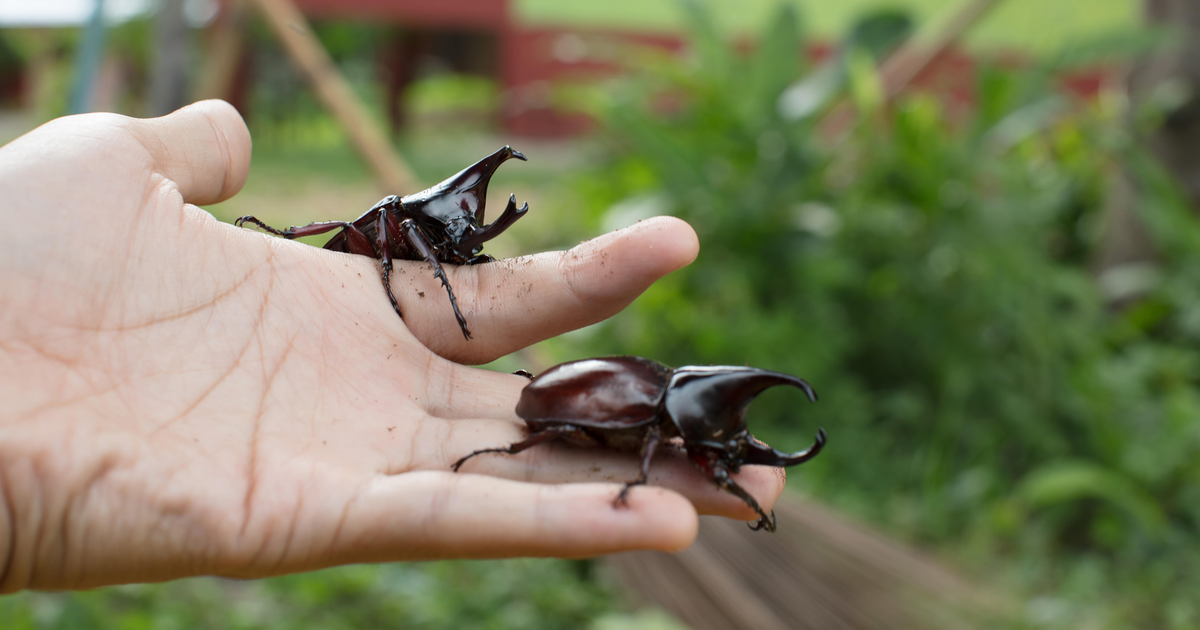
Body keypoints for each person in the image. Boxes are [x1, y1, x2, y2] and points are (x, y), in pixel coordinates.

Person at [0, 101, 784, 592]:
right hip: (365, 255)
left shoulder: (661, 406)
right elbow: (386, 232)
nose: (476, 231)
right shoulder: (402, 223)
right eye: (467, 223)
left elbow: (456, 250)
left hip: (538, 388)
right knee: (379, 219)